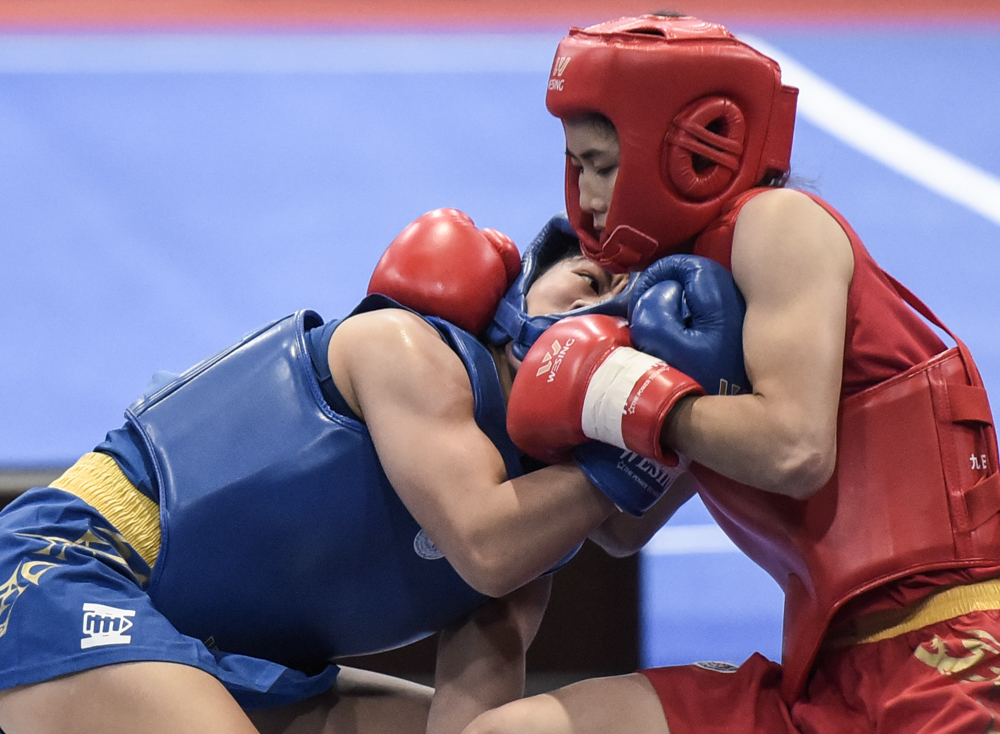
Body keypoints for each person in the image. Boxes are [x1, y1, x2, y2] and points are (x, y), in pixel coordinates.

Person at [465, 13, 1000, 734]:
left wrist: (619, 392)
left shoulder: (779, 225)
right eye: (577, 167)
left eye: (602, 164)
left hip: (953, 653)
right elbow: (625, 531)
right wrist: (520, 426)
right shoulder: (674, 310)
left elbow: (794, 448)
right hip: (819, 682)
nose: (587, 199)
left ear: (685, 150)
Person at [0, 206, 715, 734]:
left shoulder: (536, 524)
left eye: (620, 319)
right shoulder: (406, 348)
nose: (591, 314)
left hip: (224, 658)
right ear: (524, 283)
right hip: (68, 573)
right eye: (586, 282)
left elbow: (473, 721)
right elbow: (486, 545)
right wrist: (642, 449)